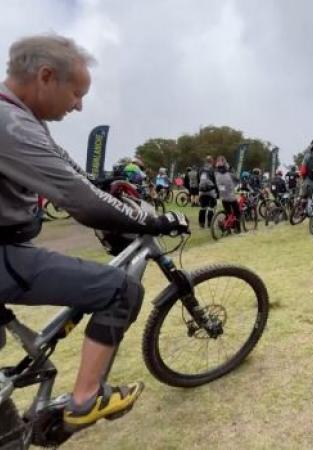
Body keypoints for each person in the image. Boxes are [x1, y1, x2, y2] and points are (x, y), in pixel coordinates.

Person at [0, 34, 188, 432]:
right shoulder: (10, 125)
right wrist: (151, 221)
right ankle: (86, 400)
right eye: (76, 93)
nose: (79, 105)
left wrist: (104, 186)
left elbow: (71, 172)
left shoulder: (19, 116)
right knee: (120, 289)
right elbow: (79, 201)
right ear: (46, 76)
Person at [214, 156, 241, 233]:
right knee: (237, 212)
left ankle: (227, 227)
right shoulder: (230, 174)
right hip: (231, 197)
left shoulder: (216, 174)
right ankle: (237, 229)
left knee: (228, 213)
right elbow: (237, 180)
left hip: (223, 198)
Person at [197, 156, 218, 228]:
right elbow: (216, 181)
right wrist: (217, 192)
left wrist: (199, 189)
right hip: (210, 190)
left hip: (201, 190)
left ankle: (201, 223)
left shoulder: (200, 169)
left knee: (202, 207)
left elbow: (198, 180)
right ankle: (210, 223)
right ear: (212, 161)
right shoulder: (213, 169)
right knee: (211, 208)